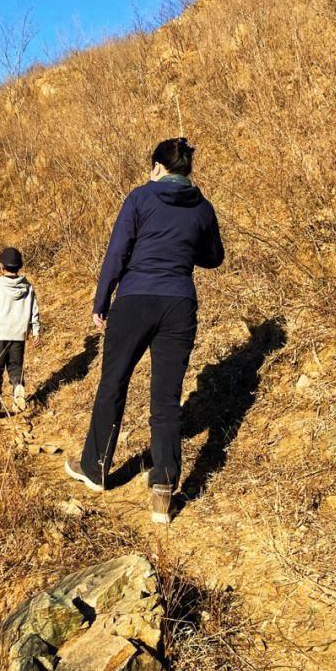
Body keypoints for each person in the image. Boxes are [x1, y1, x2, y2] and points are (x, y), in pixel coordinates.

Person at [64, 137, 224, 524]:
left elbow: (117, 251)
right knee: (166, 399)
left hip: (134, 299)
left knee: (113, 383)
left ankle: (96, 469)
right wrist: (183, 246)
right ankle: (164, 491)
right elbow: (214, 257)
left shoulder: (139, 198)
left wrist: (101, 301)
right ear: (186, 170)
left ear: (157, 167)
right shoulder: (202, 208)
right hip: (179, 304)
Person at [0, 247, 41, 417]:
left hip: (0, 335)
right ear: (19, 267)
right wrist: (35, 330)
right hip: (19, 335)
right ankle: (17, 389)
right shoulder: (27, 287)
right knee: (15, 367)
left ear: (2, 267)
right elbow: (34, 310)